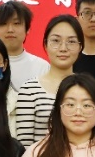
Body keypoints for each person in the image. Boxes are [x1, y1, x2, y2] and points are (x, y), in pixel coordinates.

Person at [15, 15, 82, 148]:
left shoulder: (87, 88)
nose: (63, 48)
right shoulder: (29, 90)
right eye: (56, 41)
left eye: (71, 41)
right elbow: (24, 147)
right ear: (45, 45)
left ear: (80, 47)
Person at [0, 1, 50, 92]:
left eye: (16, 23)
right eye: (3, 24)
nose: (10, 30)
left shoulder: (42, 67)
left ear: (27, 29)